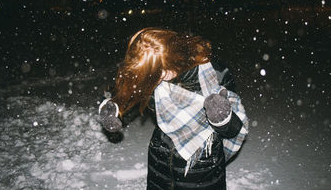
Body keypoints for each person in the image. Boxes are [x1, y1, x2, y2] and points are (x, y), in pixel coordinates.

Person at [99, 27, 248, 189]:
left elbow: (234, 131)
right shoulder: (152, 75)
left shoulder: (215, 73)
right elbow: (122, 91)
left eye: (159, 74)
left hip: (201, 168)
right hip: (159, 159)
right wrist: (111, 107)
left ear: (173, 58)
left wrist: (223, 119)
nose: (155, 81)